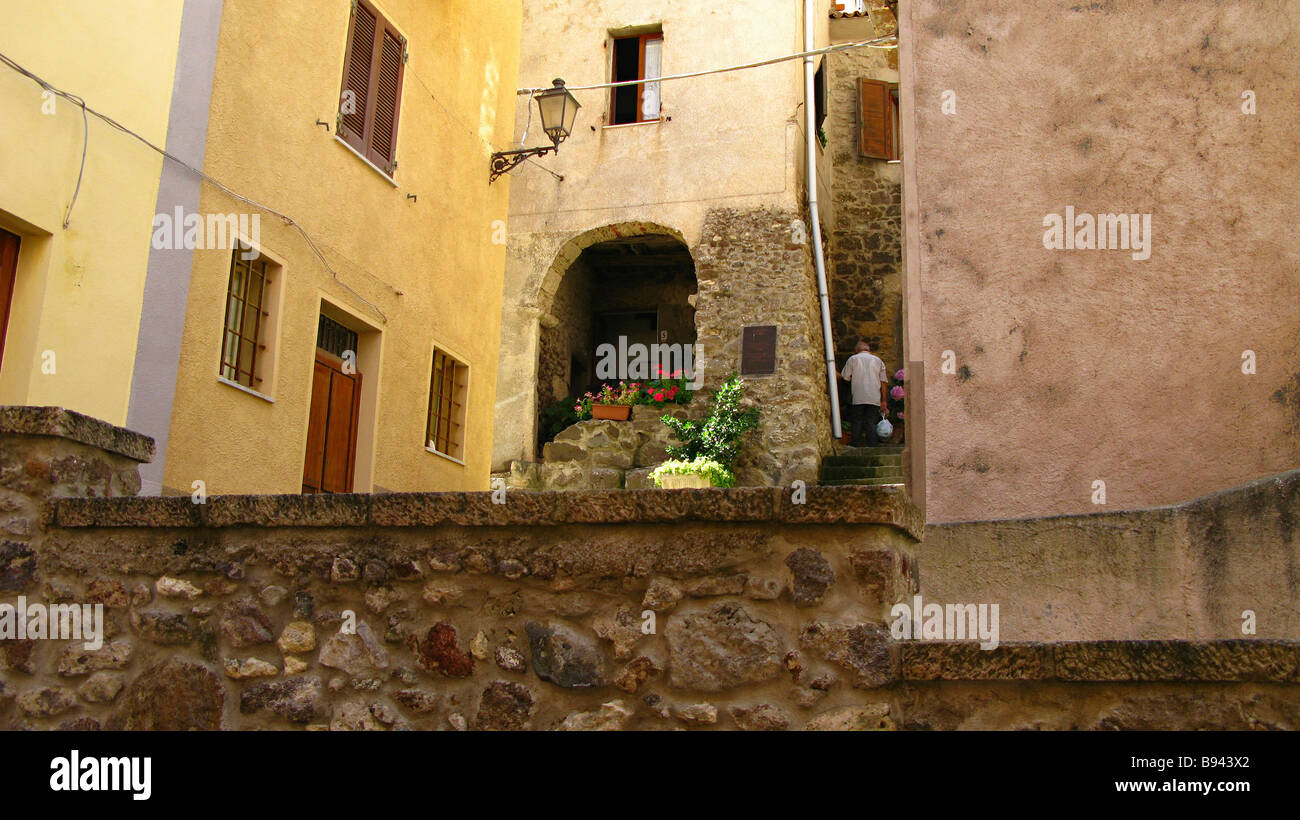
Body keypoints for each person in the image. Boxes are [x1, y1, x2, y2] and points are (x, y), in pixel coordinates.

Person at [839, 340, 889, 446]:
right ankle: (872, 445)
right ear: (868, 349)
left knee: (857, 421)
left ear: (857, 350)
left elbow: (845, 377)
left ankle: (856, 445)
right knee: (871, 421)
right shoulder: (878, 361)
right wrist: (884, 400)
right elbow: (883, 382)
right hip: (874, 397)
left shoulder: (853, 359)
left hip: (858, 396)